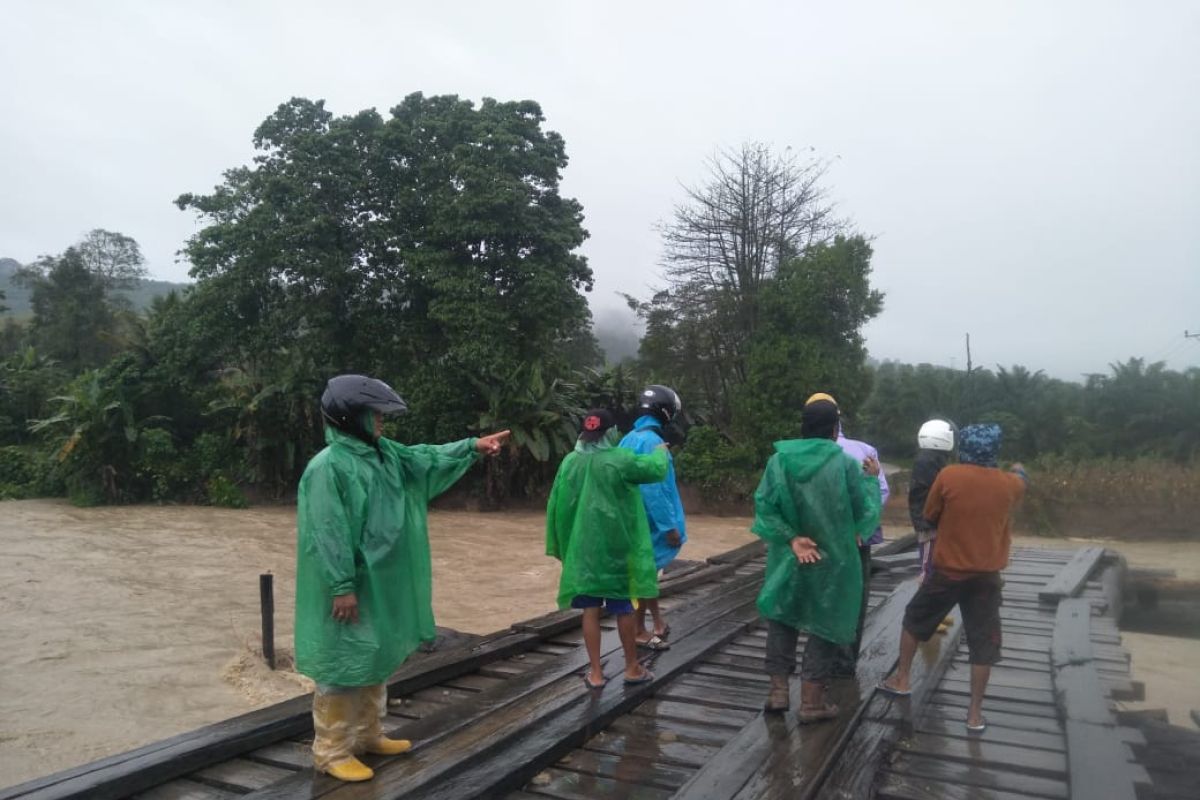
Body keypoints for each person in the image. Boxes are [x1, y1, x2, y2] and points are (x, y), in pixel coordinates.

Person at [294, 374, 509, 782]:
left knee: (374, 655)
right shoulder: (327, 468)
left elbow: (425, 458)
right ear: (348, 417)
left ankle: (368, 734)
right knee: (341, 666)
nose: (380, 422)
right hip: (348, 585)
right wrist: (341, 586)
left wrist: (471, 447)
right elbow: (327, 531)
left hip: (379, 584)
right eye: (372, 415)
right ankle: (331, 749)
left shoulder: (384, 454)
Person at [881, 423, 1028, 734]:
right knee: (983, 642)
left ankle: (903, 679)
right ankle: (974, 714)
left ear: (964, 448)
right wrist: (1018, 470)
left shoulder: (949, 476)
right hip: (987, 577)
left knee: (913, 619)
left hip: (947, 571)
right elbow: (1020, 481)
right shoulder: (1011, 484)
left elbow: (931, 514)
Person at [754, 399, 882, 722]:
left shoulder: (778, 462)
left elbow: (765, 508)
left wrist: (792, 539)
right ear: (834, 429)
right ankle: (811, 703)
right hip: (833, 560)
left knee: (783, 617)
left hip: (789, 556)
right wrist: (872, 478)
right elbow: (864, 512)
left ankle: (778, 692)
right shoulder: (845, 465)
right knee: (825, 623)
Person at [546, 408, 669, 690]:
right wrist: (661, 450)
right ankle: (632, 668)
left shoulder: (569, 462)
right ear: (611, 433)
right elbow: (655, 469)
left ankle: (597, 674)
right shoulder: (619, 459)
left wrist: (560, 545)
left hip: (583, 550)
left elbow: (556, 507)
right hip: (616, 548)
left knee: (589, 609)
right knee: (623, 607)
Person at [805, 392, 890, 678]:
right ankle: (844, 665)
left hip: (815, 539)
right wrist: (860, 528)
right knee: (855, 598)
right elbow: (880, 493)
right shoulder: (863, 450)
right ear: (837, 421)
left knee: (821, 597)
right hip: (856, 539)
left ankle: (817, 666)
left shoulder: (796, 455)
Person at [619, 385, 686, 651]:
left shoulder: (629, 438)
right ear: (667, 412)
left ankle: (657, 622)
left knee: (648, 573)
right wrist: (668, 526)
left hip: (633, 521)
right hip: (649, 525)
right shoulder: (652, 443)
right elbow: (654, 491)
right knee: (644, 576)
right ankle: (638, 630)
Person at [910, 419, 956, 582]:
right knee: (929, 570)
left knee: (934, 567)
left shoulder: (930, 459)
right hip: (929, 524)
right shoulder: (929, 462)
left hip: (930, 521)